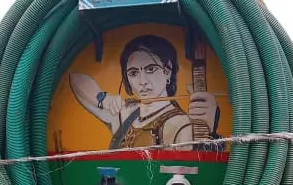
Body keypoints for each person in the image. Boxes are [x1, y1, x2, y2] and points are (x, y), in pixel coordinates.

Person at [69, 34, 218, 150]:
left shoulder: (179, 123)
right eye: (133, 73)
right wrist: (103, 98)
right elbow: (76, 80)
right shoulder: (126, 112)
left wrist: (206, 129)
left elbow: (191, 168)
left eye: (151, 69)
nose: (142, 81)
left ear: (167, 71)